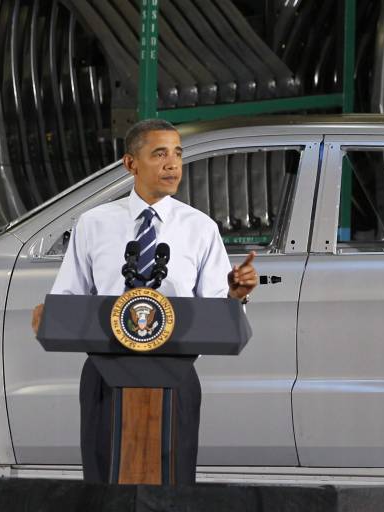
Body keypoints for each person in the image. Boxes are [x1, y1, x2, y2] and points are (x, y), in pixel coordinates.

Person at [31, 118, 258, 484]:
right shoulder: (93, 223)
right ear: (130, 163)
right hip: (105, 374)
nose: (172, 164)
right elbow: (70, 296)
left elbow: (216, 310)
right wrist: (51, 315)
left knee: (174, 486)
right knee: (104, 486)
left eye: (178, 154)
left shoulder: (200, 229)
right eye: (159, 154)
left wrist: (235, 296)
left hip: (176, 376)